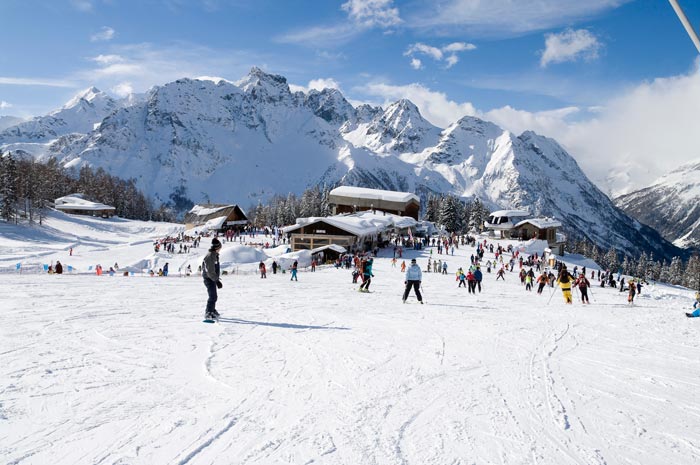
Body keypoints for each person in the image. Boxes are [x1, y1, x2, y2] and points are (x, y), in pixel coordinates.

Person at [202, 238, 223, 320]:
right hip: (209, 278)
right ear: (217, 248)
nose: (220, 249)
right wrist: (216, 281)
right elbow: (210, 271)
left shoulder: (214, 255)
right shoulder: (211, 256)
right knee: (212, 296)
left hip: (212, 278)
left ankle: (212, 310)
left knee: (214, 296)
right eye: (220, 248)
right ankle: (208, 312)